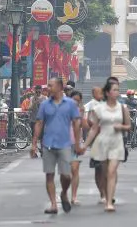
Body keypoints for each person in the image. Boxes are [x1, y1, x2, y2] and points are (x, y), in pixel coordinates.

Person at [31, 77, 83, 215]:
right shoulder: (44, 104)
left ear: (60, 87)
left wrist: (77, 144)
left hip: (65, 144)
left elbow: (76, 123)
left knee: (66, 176)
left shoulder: (70, 104)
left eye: (51, 85)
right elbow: (39, 123)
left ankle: (64, 192)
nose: (48, 88)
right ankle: (53, 204)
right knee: (49, 175)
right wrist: (34, 144)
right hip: (48, 144)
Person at [85, 80, 131, 212]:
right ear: (107, 93)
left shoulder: (123, 108)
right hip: (102, 143)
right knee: (105, 173)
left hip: (117, 143)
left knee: (111, 172)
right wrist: (85, 145)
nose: (117, 92)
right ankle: (105, 196)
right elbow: (94, 129)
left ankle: (110, 202)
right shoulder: (99, 109)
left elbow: (129, 126)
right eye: (114, 90)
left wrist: (121, 126)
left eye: (118, 90)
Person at [69, 90, 86, 205]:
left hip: (75, 143)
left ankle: (74, 196)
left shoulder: (80, 111)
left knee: (75, 169)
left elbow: (84, 126)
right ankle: (64, 193)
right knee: (66, 172)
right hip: (63, 143)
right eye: (74, 100)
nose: (75, 102)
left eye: (78, 101)